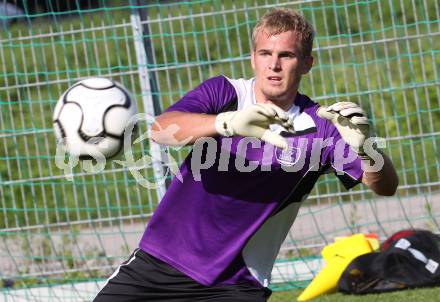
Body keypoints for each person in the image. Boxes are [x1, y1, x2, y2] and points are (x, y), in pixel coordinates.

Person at [94, 8, 398, 302]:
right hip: (160, 263)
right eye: (265, 53)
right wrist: (225, 123)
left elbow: (385, 186)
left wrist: (365, 148)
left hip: (237, 284)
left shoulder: (322, 127)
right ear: (253, 59)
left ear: (307, 63)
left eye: (286, 55)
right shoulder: (225, 94)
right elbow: (161, 129)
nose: (274, 65)